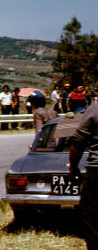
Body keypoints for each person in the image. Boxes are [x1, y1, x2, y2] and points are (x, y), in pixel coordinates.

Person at [68, 99, 98, 250]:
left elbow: (77, 143)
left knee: (92, 218)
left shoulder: (94, 109)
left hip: (96, 172)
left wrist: (73, 169)